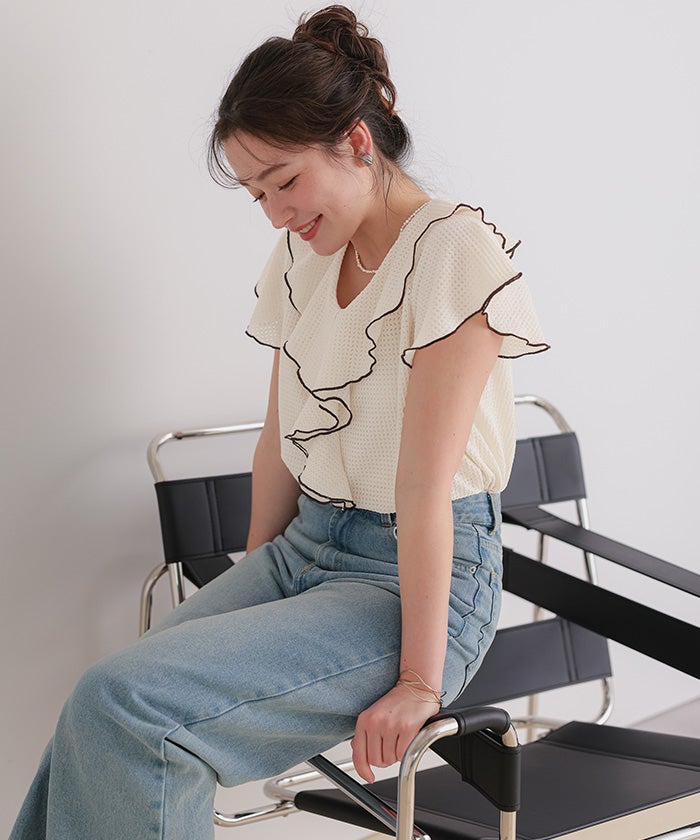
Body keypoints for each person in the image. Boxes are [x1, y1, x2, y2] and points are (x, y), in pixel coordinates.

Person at [11, 5, 547, 838]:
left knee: (132, 706)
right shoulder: (305, 252)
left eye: (284, 180)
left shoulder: (452, 251)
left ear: (356, 142)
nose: (273, 212)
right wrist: (255, 582)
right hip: (305, 550)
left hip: (410, 581)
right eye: (256, 193)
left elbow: (424, 488)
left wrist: (418, 680)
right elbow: (279, 440)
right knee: (101, 701)